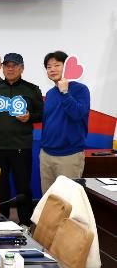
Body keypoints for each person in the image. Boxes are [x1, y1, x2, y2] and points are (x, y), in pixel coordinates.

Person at [0, 53, 43, 226]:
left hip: (20, 146)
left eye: (14, 66)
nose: (10, 69)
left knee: (23, 186)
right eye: (7, 66)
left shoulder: (32, 89)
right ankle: (0, 220)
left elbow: (42, 114)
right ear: (3, 68)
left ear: (22, 68)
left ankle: (25, 223)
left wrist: (30, 117)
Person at [40, 50, 90, 193]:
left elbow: (78, 114)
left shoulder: (81, 90)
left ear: (67, 66)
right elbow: (47, 122)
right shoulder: (50, 93)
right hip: (46, 155)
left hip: (69, 155)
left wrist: (65, 92)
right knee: (48, 199)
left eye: (57, 65)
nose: (52, 69)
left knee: (68, 201)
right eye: (49, 67)